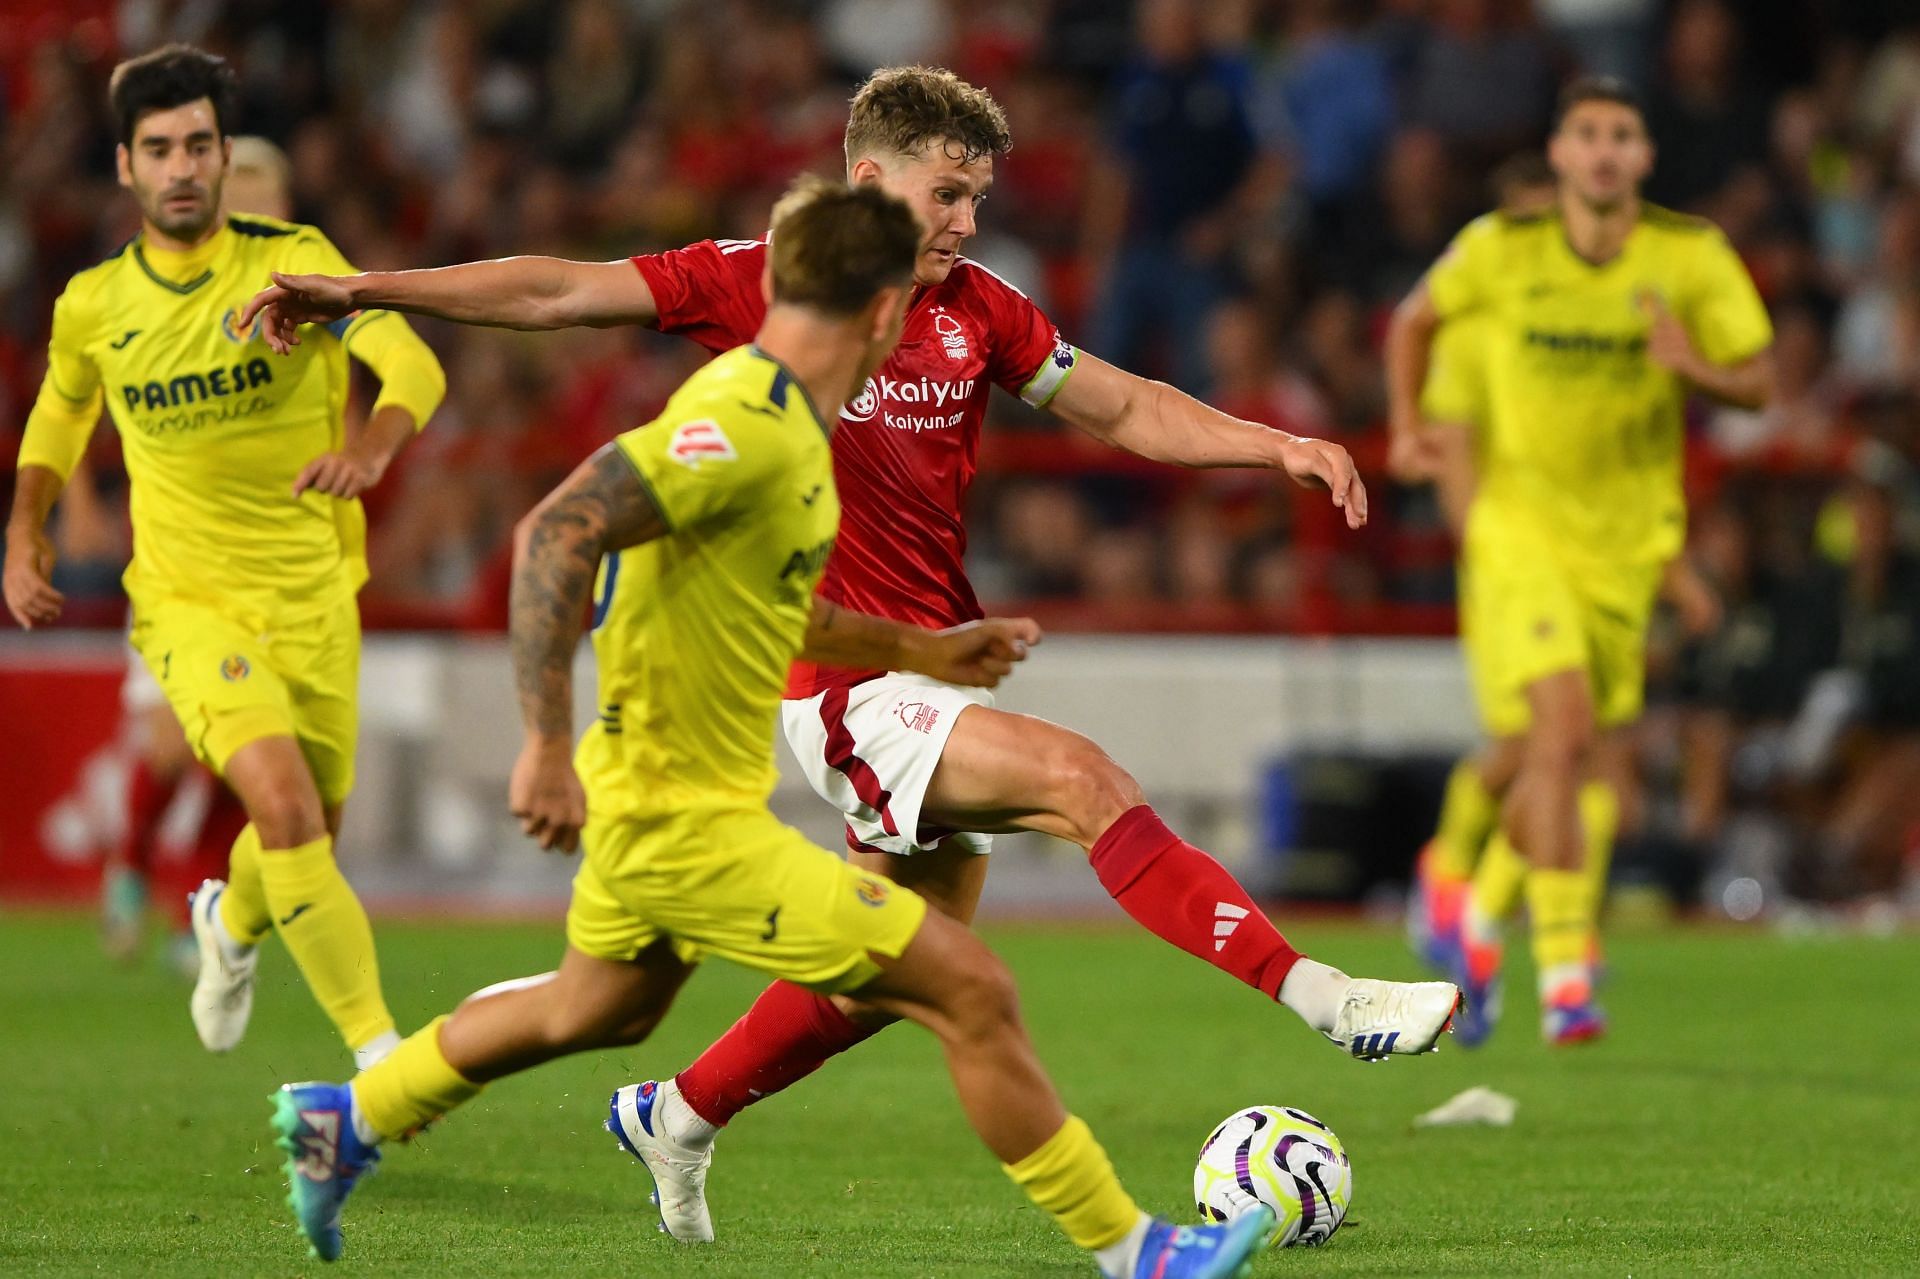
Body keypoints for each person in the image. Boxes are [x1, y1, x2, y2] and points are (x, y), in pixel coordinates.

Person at [240, 64, 1459, 1242]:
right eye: (948, 193)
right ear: (868, 180)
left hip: (892, 671)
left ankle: (663, 1112)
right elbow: (559, 297)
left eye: (979, 195)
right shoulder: (760, 316)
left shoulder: (976, 308)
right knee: (1080, 788)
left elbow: (1125, 406)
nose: (969, 220)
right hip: (838, 704)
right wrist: (365, 289)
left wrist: (1271, 445)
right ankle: (1307, 1021)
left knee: (824, 977)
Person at [3, 46, 446, 1069]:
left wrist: (370, 448)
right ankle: (386, 1064)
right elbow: (60, 413)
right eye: (159, 148)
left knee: (307, 840)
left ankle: (228, 926)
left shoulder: (297, 260)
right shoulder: (94, 305)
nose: (184, 166)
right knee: (281, 805)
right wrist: (28, 522)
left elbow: (411, 359)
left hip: (315, 594)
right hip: (187, 602)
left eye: (199, 143)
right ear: (125, 166)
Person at [1385, 76, 1774, 1045]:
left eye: (1621, 136)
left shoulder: (1684, 258)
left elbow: (1760, 380)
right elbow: (1453, 424)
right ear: (1557, 161)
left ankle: (1472, 914)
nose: (1601, 155)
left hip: (1623, 549)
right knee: (1559, 736)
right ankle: (1563, 968)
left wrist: (1694, 371)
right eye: (1584, 137)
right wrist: (1463, 514)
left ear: (1643, 157)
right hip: (1516, 546)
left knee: (1573, 756)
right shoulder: (1490, 291)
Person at [100, 134, 292, 968]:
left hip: (275, 558)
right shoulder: (174, 286)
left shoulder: (313, 291)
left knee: (246, 743)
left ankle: (195, 911)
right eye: (235, 184)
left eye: (261, 186)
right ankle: (132, 858)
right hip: (183, 550)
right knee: (176, 740)